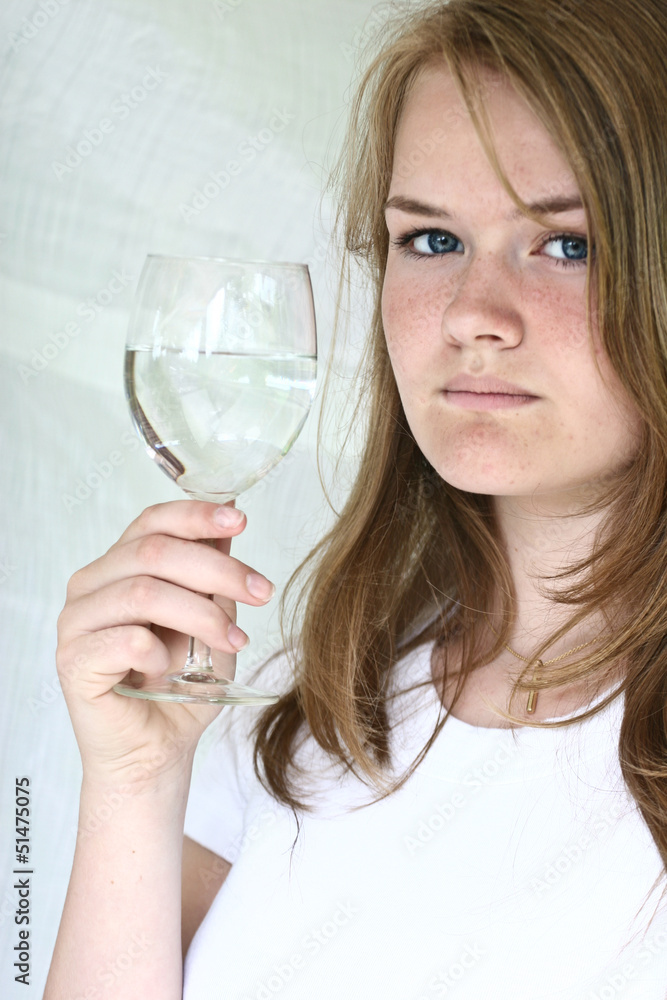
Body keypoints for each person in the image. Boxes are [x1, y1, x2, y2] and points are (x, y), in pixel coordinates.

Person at [44, 0, 667, 997]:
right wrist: (132, 780)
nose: (472, 314)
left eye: (566, 244)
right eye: (429, 240)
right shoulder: (323, 693)